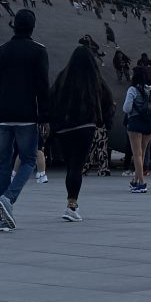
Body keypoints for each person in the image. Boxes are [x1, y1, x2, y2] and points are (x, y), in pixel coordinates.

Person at [0, 7, 50, 229]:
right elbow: (42, 87)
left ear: (13, 25)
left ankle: (3, 220)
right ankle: (8, 199)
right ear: (33, 27)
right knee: (28, 160)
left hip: (2, 115)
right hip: (26, 115)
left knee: (3, 164)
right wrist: (46, 117)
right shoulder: (38, 51)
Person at [46, 44, 113, 222]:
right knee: (77, 165)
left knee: (71, 166)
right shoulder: (95, 78)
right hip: (85, 126)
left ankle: (71, 202)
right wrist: (104, 121)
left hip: (64, 128)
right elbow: (108, 100)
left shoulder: (63, 76)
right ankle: (72, 204)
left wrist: (51, 123)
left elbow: (51, 99)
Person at [123, 60, 151, 193]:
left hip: (135, 123)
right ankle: (135, 180)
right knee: (142, 154)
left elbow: (126, 108)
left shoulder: (132, 89)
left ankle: (141, 184)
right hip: (149, 124)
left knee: (137, 154)